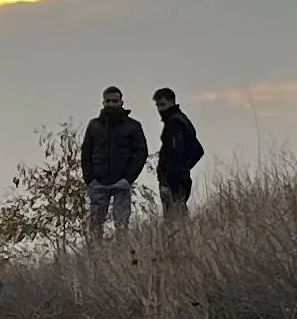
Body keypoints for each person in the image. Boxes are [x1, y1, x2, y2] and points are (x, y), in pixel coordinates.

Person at [80, 86, 148, 239]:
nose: (111, 104)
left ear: (121, 102)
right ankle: (96, 258)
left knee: (122, 225)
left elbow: (141, 153)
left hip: (121, 183)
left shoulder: (133, 126)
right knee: (95, 227)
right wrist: (89, 179)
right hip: (98, 183)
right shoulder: (94, 126)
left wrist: (128, 178)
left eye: (115, 101)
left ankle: (121, 256)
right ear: (103, 102)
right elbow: (86, 152)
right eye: (108, 101)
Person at [154, 88, 204, 223]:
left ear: (172, 102)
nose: (159, 109)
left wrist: (169, 175)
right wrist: (184, 167)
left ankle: (181, 242)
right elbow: (198, 150)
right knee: (178, 214)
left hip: (174, 180)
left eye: (162, 104)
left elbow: (177, 151)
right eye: (158, 105)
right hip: (180, 177)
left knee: (174, 219)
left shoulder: (174, 122)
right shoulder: (181, 120)